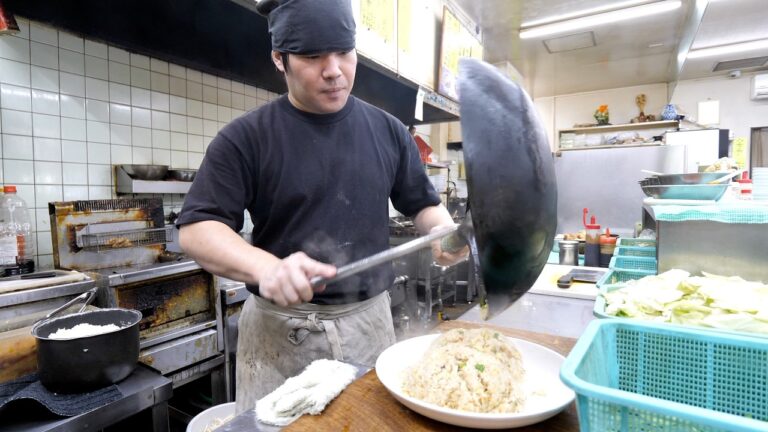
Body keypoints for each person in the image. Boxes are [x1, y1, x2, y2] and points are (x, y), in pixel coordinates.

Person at [176, 0, 466, 414]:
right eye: (313, 56)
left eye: (344, 52)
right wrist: (267, 268)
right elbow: (197, 228)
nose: (334, 70)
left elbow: (424, 206)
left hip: (369, 325)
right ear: (280, 59)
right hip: (280, 334)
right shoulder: (246, 138)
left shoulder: (387, 132)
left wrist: (443, 232)